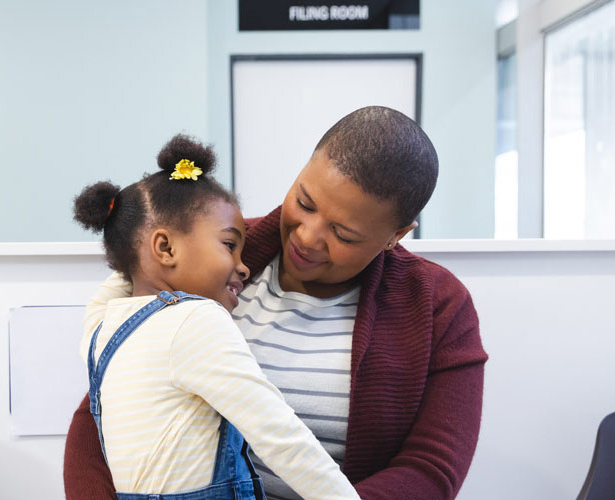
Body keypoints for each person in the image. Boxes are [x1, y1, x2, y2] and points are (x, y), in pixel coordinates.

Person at [65, 107, 488, 500]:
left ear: (397, 234)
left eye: (343, 234)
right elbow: (106, 406)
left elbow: (432, 469)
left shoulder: (438, 305)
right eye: (304, 202)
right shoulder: (209, 251)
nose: (306, 236)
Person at [72, 134, 360, 500]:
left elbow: (120, 280)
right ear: (165, 247)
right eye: (229, 245)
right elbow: (279, 434)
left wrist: (137, 242)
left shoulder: (99, 328)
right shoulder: (196, 321)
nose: (243, 267)